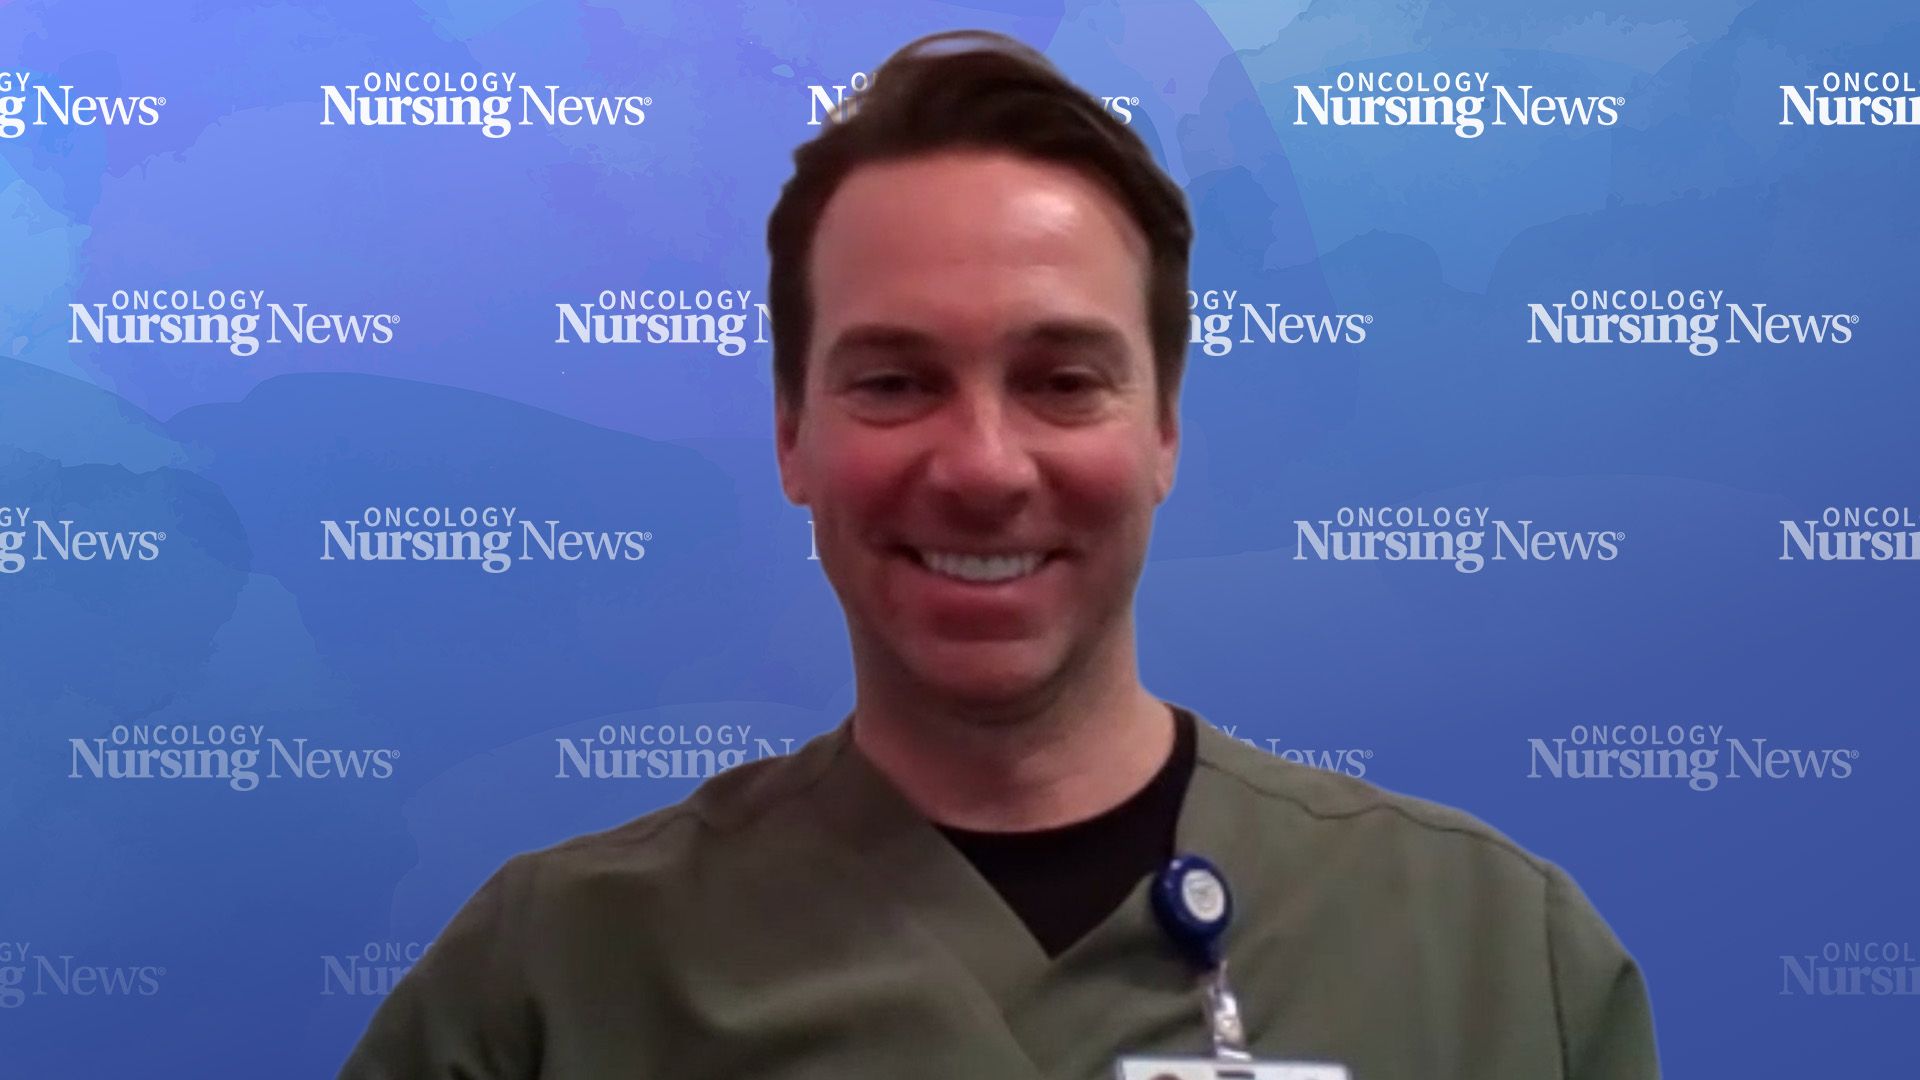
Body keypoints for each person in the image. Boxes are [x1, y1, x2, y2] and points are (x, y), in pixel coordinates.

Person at [339, 29, 1659, 1079]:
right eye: (896, 381)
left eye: (1063, 380)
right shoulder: (553, 986)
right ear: (791, 434)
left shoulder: (1498, 963)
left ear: (1164, 431)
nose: (980, 466)